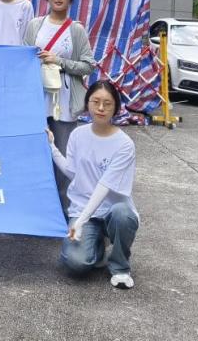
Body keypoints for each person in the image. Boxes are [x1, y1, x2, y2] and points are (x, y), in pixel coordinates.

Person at [49, 81, 139, 290]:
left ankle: (120, 267)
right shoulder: (77, 135)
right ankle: (98, 246)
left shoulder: (124, 144)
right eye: (95, 102)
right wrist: (52, 147)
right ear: (87, 103)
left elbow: (104, 186)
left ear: (116, 107)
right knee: (76, 263)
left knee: (123, 214)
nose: (101, 108)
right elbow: (72, 171)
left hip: (111, 211)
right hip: (82, 209)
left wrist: (80, 222)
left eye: (107, 104)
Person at [25, 0, 96, 210]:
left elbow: (88, 65)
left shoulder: (76, 30)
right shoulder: (35, 25)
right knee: (35, 153)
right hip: (37, 100)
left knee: (63, 156)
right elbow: (22, 59)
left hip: (64, 103)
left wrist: (59, 61)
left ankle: (63, 208)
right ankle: (36, 206)